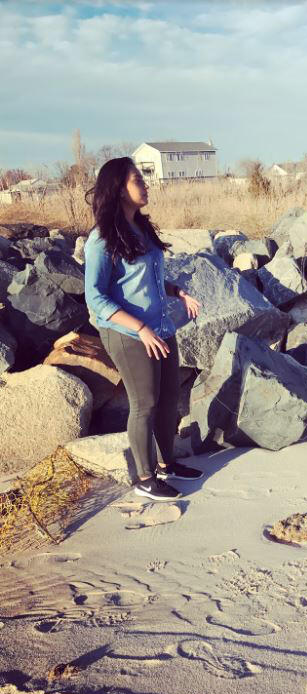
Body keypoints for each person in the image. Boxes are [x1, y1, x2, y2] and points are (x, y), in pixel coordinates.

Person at [84, 157, 204, 501]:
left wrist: (178, 291)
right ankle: (144, 477)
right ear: (119, 188)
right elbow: (95, 296)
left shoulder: (141, 229)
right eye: (139, 179)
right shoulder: (100, 240)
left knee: (169, 401)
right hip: (127, 333)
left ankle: (168, 465)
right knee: (145, 403)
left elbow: (147, 277)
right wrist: (140, 328)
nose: (146, 184)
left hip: (160, 327)